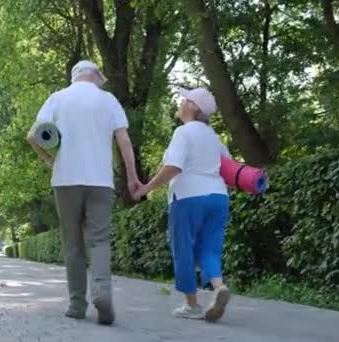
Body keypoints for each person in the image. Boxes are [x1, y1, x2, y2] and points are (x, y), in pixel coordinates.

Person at [26, 60, 139, 325]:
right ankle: (102, 292)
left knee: (72, 243)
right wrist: (133, 177)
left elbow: (32, 135)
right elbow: (123, 140)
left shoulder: (58, 98)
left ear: (74, 77)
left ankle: (77, 305)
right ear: (95, 77)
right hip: (100, 180)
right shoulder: (108, 100)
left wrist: (48, 159)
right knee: (99, 240)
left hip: (66, 179)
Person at [132, 87, 231, 322]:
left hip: (188, 198)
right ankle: (218, 288)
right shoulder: (213, 136)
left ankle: (192, 305)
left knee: (183, 248)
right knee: (209, 248)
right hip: (218, 197)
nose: (180, 102)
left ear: (193, 107)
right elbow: (229, 167)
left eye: (184, 99)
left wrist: (146, 188)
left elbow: (173, 167)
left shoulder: (183, 133)